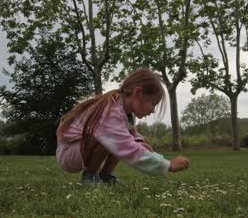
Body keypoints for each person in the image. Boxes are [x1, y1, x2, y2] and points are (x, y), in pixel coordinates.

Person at [55, 69, 190, 184]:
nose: (153, 110)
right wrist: (167, 165)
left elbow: (132, 135)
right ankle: (90, 176)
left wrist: (140, 142)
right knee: (115, 140)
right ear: (138, 93)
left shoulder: (124, 112)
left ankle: (105, 176)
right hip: (69, 153)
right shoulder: (110, 113)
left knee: (121, 138)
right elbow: (126, 147)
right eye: (153, 103)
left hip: (80, 149)